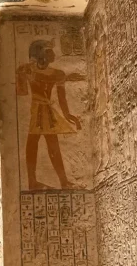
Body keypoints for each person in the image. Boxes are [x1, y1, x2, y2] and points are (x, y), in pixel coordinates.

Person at [16, 39, 85, 190]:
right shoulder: (27, 70)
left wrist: (68, 115)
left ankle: (62, 182)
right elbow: (21, 92)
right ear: (39, 54)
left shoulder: (57, 74)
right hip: (36, 110)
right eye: (48, 50)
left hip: (47, 111)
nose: (53, 54)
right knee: (34, 142)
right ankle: (34, 181)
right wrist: (22, 75)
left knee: (51, 145)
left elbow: (62, 98)